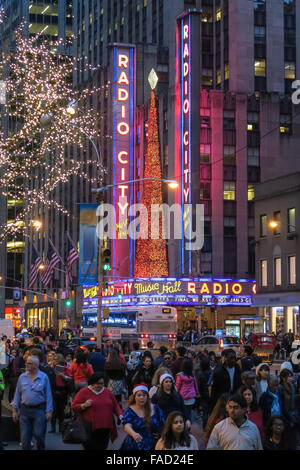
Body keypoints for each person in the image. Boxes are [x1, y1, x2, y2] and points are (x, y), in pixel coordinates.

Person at [72, 373, 123, 450]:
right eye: (97, 383)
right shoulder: (84, 392)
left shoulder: (107, 391)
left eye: (102, 383)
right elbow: (74, 407)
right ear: (92, 383)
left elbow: (115, 405)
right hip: (89, 428)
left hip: (106, 427)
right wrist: (84, 405)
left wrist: (120, 415)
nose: (100, 385)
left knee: (102, 447)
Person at [12, 355, 53, 450]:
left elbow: (48, 395)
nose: (26, 365)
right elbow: (17, 394)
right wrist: (15, 410)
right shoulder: (22, 377)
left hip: (39, 410)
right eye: (26, 362)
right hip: (24, 411)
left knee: (39, 435)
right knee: (25, 439)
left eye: (29, 363)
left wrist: (49, 411)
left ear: (35, 365)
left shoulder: (44, 377)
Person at [121, 383, 165, 450]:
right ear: (134, 397)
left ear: (147, 397)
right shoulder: (130, 410)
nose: (142, 397)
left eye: (144, 395)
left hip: (153, 444)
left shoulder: (155, 408)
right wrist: (133, 434)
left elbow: (163, 423)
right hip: (134, 444)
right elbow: (127, 426)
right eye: (139, 395)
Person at [175, 358, 199, 422]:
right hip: (191, 398)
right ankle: (189, 425)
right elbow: (195, 385)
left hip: (183, 398)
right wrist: (197, 393)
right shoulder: (192, 375)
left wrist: (175, 395)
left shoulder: (180, 376)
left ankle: (186, 427)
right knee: (189, 413)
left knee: (184, 414)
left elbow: (177, 387)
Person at [195, 357, 211, 429]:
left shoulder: (199, 373)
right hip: (211, 394)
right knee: (210, 411)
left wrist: (198, 394)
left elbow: (198, 385)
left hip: (203, 394)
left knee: (205, 412)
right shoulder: (211, 372)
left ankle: (205, 427)